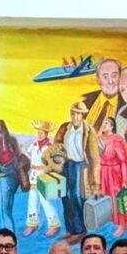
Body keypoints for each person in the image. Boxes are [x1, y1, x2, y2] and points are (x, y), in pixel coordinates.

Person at [53, 102, 101, 240]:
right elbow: (56, 146)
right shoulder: (65, 128)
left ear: (83, 115)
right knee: (65, 197)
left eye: (78, 114)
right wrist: (56, 160)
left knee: (75, 197)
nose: (75, 116)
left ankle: (80, 230)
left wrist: (96, 184)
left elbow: (95, 159)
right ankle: (70, 229)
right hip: (65, 165)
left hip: (80, 166)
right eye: (73, 113)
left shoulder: (89, 131)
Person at [0, 119, 25, 233]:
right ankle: (11, 236)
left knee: (4, 212)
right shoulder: (13, 140)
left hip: (3, 179)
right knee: (8, 210)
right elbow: (20, 158)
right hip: (15, 180)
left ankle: (9, 238)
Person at [23, 119, 61, 237]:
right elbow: (27, 157)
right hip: (33, 176)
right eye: (38, 132)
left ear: (46, 134)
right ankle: (32, 224)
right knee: (32, 200)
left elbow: (55, 163)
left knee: (46, 201)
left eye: (42, 132)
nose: (39, 135)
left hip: (44, 176)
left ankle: (54, 225)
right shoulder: (33, 145)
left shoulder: (50, 147)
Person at [98, 117, 127, 236]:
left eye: (107, 123)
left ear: (112, 126)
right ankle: (113, 220)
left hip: (114, 172)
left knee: (117, 198)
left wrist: (125, 179)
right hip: (103, 172)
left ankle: (123, 224)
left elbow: (123, 161)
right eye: (103, 123)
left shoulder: (116, 140)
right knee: (107, 198)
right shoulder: (99, 139)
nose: (104, 125)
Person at [81, 58, 123, 132]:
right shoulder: (85, 102)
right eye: (105, 77)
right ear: (98, 79)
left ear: (120, 77)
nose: (110, 81)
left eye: (114, 76)